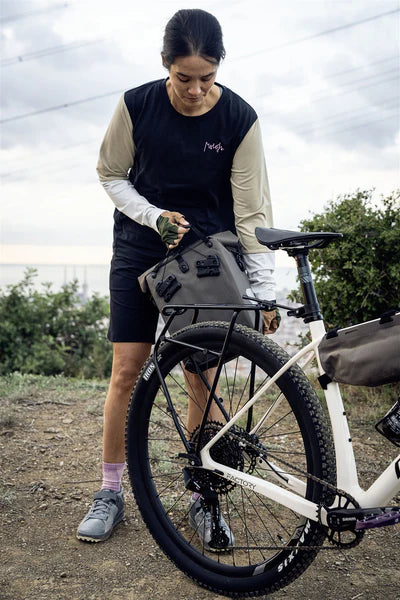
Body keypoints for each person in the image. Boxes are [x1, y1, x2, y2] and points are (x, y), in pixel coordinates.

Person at [76, 8, 279, 546]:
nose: (195, 90)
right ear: (165, 64)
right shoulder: (136, 105)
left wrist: (264, 291)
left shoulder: (239, 119)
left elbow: (252, 213)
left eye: (206, 78)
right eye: (183, 77)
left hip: (206, 258)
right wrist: (153, 216)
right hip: (140, 247)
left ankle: (203, 496)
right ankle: (110, 491)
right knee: (127, 370)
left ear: (219, 67)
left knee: (200, 375)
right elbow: (110, 174)